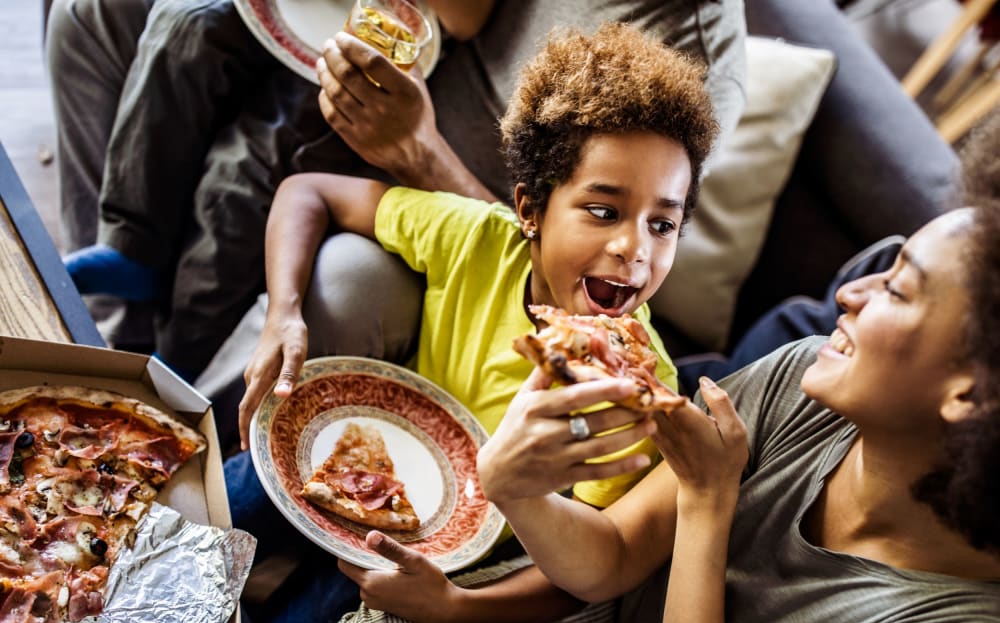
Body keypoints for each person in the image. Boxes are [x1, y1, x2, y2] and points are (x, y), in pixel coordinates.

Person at [316, 110, 1000, 623]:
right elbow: (612, 553)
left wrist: (709, 502)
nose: (849, 294)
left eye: (897, 288)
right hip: (618, 621)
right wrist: (516, 489)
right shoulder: (806, 378)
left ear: (971, 395)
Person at [232, 21, 720, 623]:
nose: (632, 249)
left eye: (662, 224)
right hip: (362, 448)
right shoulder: (479, 239)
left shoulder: (637, 393)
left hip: (438, 555)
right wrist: (284, 315)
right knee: (190, 522)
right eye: (604, 209)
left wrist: (454, 604)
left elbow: (577, 577)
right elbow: (308, 192)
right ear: (529, 210)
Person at [45, 0, 747, 386]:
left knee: (251, 170)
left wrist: (415, 151)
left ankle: (171, 380)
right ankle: (112, 309)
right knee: (104, 14)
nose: (639, 247)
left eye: (661, 230)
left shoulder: (678, 57)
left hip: (443, 175)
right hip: (374, 53)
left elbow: (546, 235)